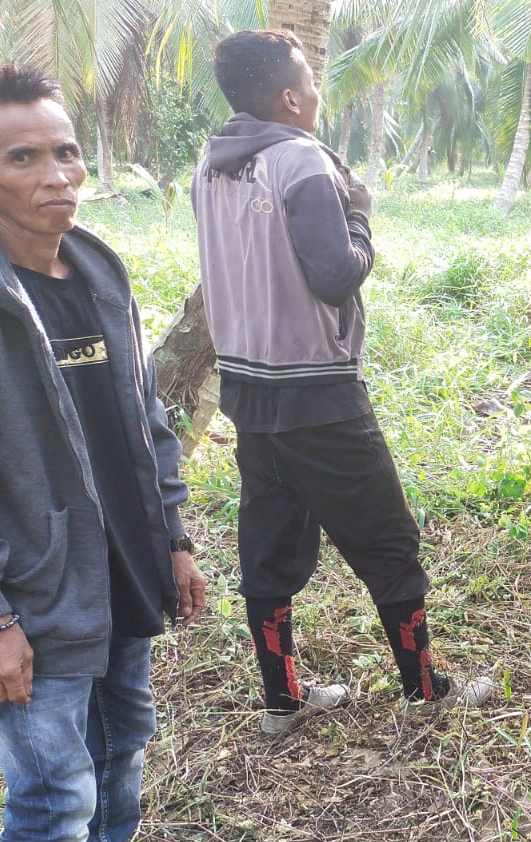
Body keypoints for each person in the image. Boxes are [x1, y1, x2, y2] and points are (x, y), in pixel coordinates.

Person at [0, 64, 213, 842]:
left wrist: (174, 539)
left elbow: (143, 416)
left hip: (120, 564)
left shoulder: (93, 269)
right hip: (33, 589)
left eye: (67, 152)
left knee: (122, 741)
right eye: (22, 159)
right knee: (50, 795)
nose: (56, 177)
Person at [191, 29, 493, 734]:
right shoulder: (301, 161)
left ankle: (282, 702)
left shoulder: (213, 165)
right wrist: (359, 217)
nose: (318, 96)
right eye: (311, 83)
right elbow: (337, 275)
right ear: (291, 97)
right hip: (318, 394)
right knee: (389, 544)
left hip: (248, 391)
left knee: (267, 547)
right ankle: (427, 691)